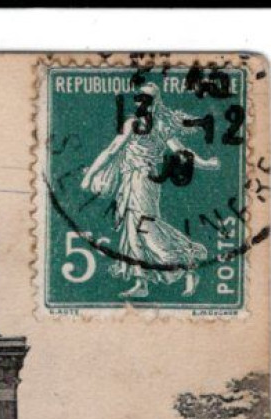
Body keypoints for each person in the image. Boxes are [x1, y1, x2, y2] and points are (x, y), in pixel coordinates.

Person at [80, 83, 221, 299]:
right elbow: (112, 150)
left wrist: (206, 164)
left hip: (144, 182)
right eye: (138, 98)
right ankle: (142, 281)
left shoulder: (158, 125)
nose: (140, 102)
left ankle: (186, 261)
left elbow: (181, 151)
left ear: (154, 102)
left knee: (146, 228)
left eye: (145, 98)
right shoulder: (134, 123)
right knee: (133, 229)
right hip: (130, 181)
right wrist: (90, 174)